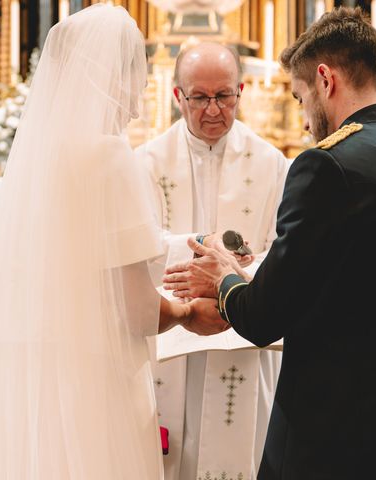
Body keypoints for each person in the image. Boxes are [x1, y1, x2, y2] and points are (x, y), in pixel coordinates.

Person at [0, 5, 219, 479]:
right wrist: (189, 314)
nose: (141, 91)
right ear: (111, 77)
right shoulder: (107, 156)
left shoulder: (36, 163)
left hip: (30, 381)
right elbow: (135, 309)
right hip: (95, 384)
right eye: (135, 74)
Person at [172, 7, 376, 480]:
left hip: (332, 433)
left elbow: (261, 319)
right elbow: (359, 289)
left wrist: (222, 272)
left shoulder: (327, 167)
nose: (306, 120)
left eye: (300, 96)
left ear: (325, 80)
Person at [136, 42, 289, 480]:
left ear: (242, 91)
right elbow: (136, 251)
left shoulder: (272, 164)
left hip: (240, 328)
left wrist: (231, 287)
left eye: (224, 96)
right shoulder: (145, 163)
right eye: (199, 97)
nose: (213, 110)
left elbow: (284, 251)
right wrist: (208, 257)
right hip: (170, 332)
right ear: (177, 96)